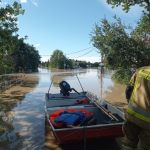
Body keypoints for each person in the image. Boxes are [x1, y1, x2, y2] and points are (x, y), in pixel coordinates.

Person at [122, 66, 150, 150]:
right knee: (145, 146)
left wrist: (130, 106)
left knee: (128, 142)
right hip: (148, 122)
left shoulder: (141, 70)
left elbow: (128, 90)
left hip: (132, 115)